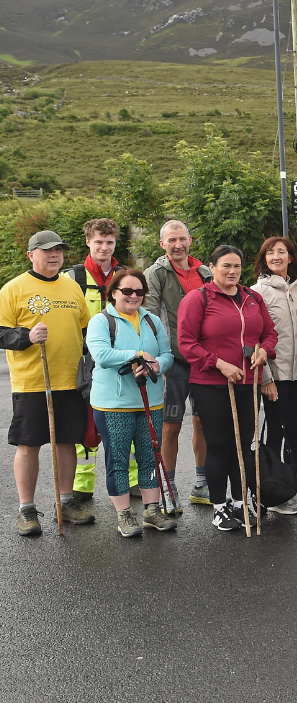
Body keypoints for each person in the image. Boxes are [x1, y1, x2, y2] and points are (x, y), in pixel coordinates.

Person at [176, 245, 276, 531]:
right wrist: (218, 363)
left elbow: (269, 332)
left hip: (248, 381)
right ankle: (219, 506)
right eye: (225, 267)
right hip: (212, 383)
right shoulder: (199, 299)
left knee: (243, 444)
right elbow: (186, 342)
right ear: (212, 267)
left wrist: (265, 351)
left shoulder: (252, 297)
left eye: (236, 266)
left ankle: (238, 501)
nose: (232, 272)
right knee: (219, 445)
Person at [2, 231, 93, 535]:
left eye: (59, 251)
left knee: (66, 442)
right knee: (29, 445)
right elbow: (1, 332)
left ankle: (64, 503)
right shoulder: (14, 289)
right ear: (31, 255)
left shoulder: (72, 287)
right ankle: (26, 510)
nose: (54, 255)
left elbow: (85, 331)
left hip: (70, 381)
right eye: (47, 251)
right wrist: (26, 337)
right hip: (32, 382)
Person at [86, 269, 178, 536]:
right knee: (119, 461)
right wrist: (137, 355)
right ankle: (124, 514)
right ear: (113, 293)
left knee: (150, 458)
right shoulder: (101, 321)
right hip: (113, 404)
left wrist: (155, 364)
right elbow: (102, 355)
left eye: (139, 291)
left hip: (151, 401)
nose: (134, 296)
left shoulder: (152, 320)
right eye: (127, 291)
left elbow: (167, 355)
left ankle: (151, 511)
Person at [68, 217, 138, 507]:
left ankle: (132, 481)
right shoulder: (71, 277)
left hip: (122, 359)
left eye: (109, 242)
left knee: (127, 419)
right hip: (84, 359)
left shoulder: (126, 276)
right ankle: (82, 484)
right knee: (83, 421)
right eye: (98, 242)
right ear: (88, 242)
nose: (104, 247)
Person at [144, 220, 212, 506]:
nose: (177, 244)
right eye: (171, 240)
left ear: (190, 240)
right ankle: (167, 489)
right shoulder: (155, 274)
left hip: (205, 361)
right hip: (174, 363)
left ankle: (201, 484)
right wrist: (159, 358)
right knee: (170, 426)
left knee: (203, 423)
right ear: (162, 244)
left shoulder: (206, 272)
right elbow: (148, 316)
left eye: (182, 239)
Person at [251, 236, 297, 516]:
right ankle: (271, 491)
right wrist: (265, 379)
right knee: (276, 432)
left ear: (291, 257)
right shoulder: (257, 292)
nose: (276, 256)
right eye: (270, 252)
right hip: (274, 375)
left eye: (282, 252)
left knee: (295, 432)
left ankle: (289, 489)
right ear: (263, 259)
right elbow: (256, 339)